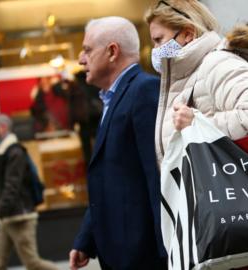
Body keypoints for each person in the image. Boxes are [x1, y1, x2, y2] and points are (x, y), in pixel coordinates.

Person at [69, 17, 165, 270]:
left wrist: (166, 253)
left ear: (112, 51)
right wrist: (86, 239)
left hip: (144, 257)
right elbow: (109, 178)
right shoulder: (112, 99)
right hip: (122, 255)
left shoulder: (144, 91)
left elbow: (157, 176)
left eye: (87, 50)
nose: (80, 60)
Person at [144, 0, 248, 165]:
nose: (155, 50)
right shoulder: (188, 74)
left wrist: (197, 125)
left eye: (158, 39)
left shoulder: (217, 63)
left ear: (188, 34)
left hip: (230, 187)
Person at [0, 114, 58, 270]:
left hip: (19, 217)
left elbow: (12, 188)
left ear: (2, 128)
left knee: (32, 263)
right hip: (3, 218)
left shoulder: (14, 151)